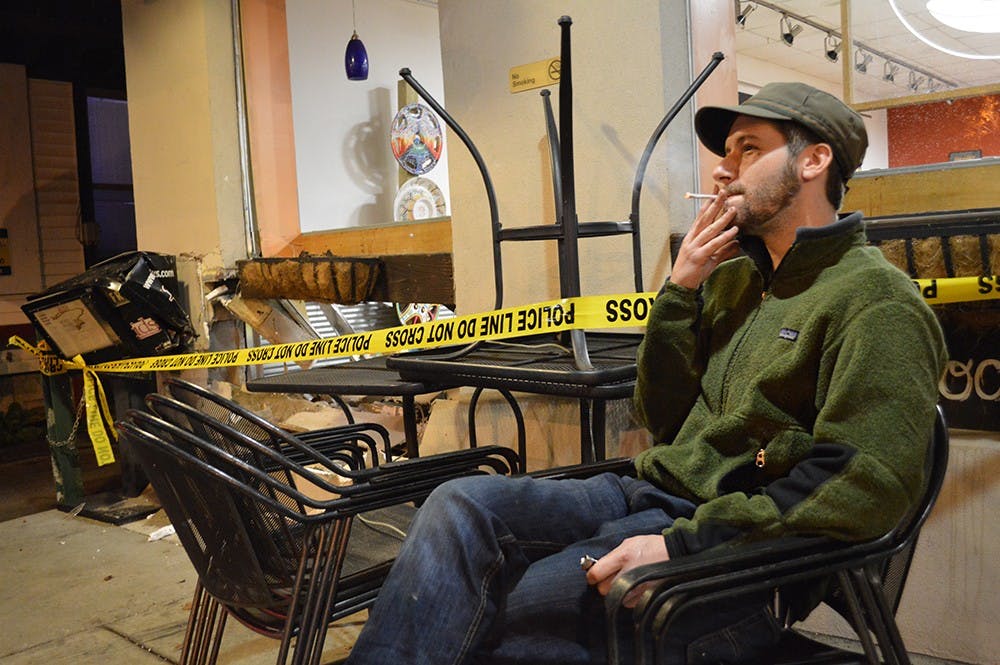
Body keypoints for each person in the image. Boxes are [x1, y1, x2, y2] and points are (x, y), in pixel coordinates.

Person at [344, 82, 946, 664]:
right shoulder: (734, 280)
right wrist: (680, 289)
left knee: (489, 608)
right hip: (644, 491)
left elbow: (862, 486)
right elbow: (663, 417)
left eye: (749, 149)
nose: (721, 168)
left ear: (814, 160)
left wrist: (678, 544)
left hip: (726, 560)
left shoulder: (876, 302)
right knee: (455, 505)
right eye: (724, 151)